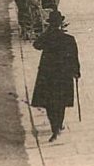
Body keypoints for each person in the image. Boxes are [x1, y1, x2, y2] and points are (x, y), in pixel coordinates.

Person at [31, 11, 81, 142]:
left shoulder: (47, 37)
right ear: (61, 24)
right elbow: (74, 57)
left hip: (47, 74)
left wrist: (46, 32)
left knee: (48, 102)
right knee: (61, 101)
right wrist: (76, 72)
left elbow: (36, 45)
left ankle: (54, 126)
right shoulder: (69, 39)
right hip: (63, 74)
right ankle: (58, 125)